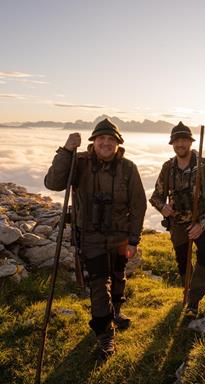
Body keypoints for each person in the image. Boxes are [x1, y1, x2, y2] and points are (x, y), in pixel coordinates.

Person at [44, 118, 147, 359]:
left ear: (118, 143)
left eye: (111, 140)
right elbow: (53, 183)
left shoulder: (128, 168)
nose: (106, 143)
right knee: (99, 286)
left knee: (118, 277)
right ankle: (105, 334)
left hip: (120, 238)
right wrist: (66, 151)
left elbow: (139, 205)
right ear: (94, 141)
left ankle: (117, 311)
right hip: (90, 237)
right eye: (101, 139)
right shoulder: (78, 163)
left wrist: (134, 239)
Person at [150, 121, 205, 318]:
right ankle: (188, 289)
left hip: (202, 219)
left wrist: (202, 224)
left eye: (184, 140)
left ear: (190, 142)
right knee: (183, 260)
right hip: (178, 222)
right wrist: (163, 207)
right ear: (172, 144)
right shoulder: (168, 168)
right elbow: (156, 196)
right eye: (176, 141)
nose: (180, 144)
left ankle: (194, 300)